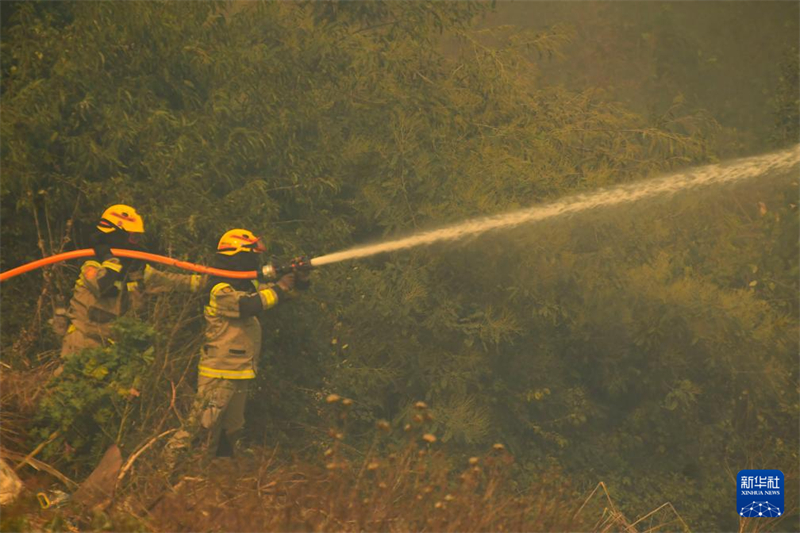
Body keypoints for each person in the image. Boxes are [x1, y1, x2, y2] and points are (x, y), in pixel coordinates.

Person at [168, 228, 309, 461]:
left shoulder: (245, 285)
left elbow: (276, 296)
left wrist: (299, 278)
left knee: (230, 431)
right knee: (201, 426)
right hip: (219, 371)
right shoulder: (219, 288)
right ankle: (165, 468)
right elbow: (248, 306)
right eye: (252, 254)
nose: (256, 261)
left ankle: (207, 477)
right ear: (237, 254)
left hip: (241, 369)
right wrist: (281, 286)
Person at [60, 204, 204, 361]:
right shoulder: (91, 263)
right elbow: (102, 284)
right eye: (132, 237)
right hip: (82, 344)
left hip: (114, 348)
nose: (135, 243)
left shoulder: (134, 268)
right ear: (117, 234)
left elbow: (171, 280)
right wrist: (110, 259)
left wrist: (206, 281)